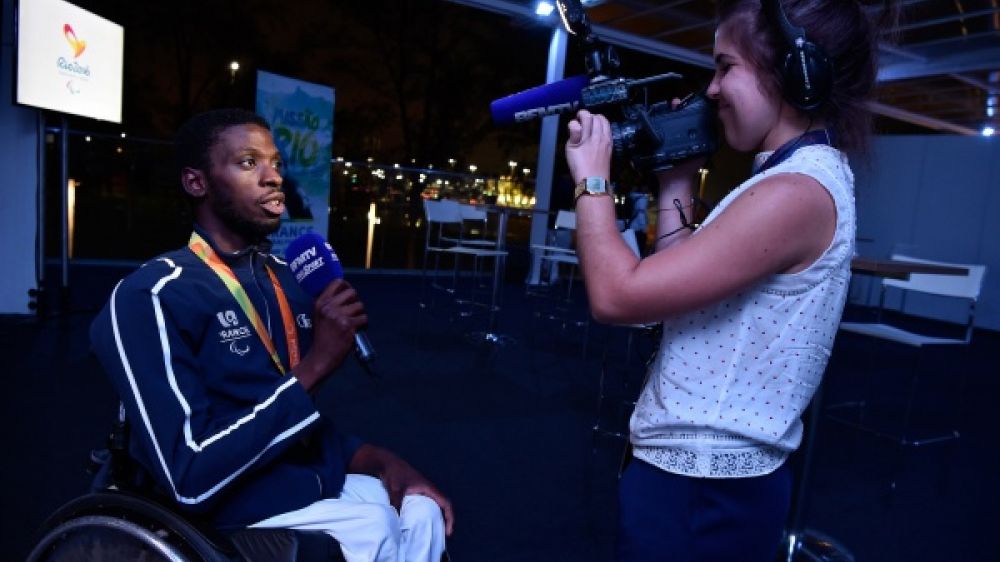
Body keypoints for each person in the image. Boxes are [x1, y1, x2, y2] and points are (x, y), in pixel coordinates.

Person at [563, 0, 895, 560]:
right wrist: (677, 181)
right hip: (695, 477)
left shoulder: (795, 194)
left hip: (704, 490)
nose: (711, 89)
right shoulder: (788, 180)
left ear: (795, 73)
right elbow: (663, 300)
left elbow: (618, 296)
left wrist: (591, 181)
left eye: (726, 66)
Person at [89, 108, 453, 562]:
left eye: (276, 163)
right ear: (196, 182)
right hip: (221, 504)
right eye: (248, 163)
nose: (272, 178)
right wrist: (318, 364)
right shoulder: (153, 294)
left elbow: (294, 419)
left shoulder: (288, 280)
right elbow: (190, 476)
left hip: (298, 477)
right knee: (372, 526)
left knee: (421, 512)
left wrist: (379, 460)